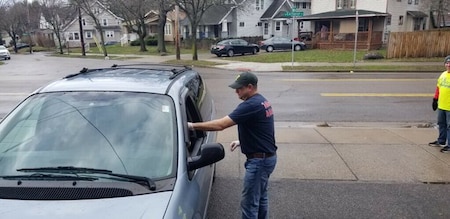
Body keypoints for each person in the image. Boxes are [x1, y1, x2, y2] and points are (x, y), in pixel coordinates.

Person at [187, 71, 277, 219]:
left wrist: (191, 126)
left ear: (250, 87)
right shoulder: (262, 101)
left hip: (259, 161)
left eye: (239, 88)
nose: (236, 91)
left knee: (249, 205)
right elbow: (263, 130)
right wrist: (243, 141)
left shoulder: (251, 105)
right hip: (266, 157)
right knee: (260, 198)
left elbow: (221, 125)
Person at [429, 55, 450, 153]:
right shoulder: (443, 75)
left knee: (449, 126)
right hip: (442, 105)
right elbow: (438, 88)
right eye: (447, 63)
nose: (448, 65)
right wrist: (435, 99)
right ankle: (441, 140)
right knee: (441, 124)